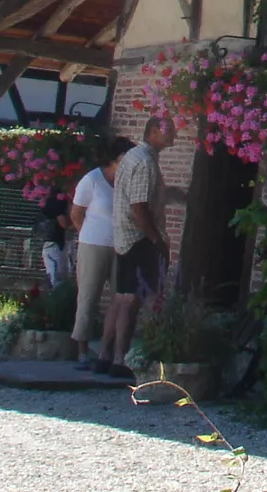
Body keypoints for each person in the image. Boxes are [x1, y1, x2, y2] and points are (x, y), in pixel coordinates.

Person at [100, 116, 175, 379]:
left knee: (120, 299)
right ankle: (121, 360)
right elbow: (138, 206)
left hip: (123, 236)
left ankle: (104, 356)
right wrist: (155, 239)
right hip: (137, 238)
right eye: (169, 130)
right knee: (131, 301)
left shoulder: (132, 156)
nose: (174, 136)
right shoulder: (144, 162)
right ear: (154, 131)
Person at [70, 139, 131, 370]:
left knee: (120, 299)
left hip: (121, 246)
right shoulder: (92, 180)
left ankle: (111, 352)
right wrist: (88, 233)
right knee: (88, 295)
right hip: (94, 244)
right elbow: (76, 213)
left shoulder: (127, 182)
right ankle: (82, 351)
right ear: (117, 158)